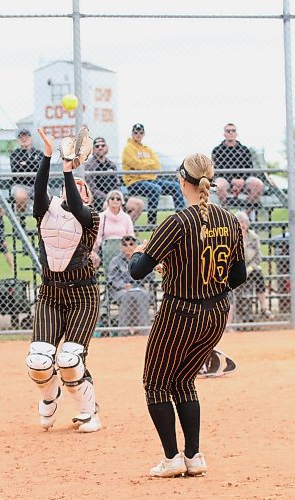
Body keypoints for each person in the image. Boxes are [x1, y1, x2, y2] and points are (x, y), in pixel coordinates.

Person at [128, 154, 247, 478]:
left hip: (181, 312)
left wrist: (140, 251)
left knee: (155, 383)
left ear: (183, 182)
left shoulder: (177, 221)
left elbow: (138, 271)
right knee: (182, 381)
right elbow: (238, 277)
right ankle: (193, 456)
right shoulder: (230, 220)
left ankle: (171, 459)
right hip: (217, 313)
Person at [25, 128, 101, 433]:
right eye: (71, 185)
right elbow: (40, 188)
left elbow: (75, 200)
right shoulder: (46, 212)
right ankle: (50, 395)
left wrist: (69, 169)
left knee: (69, 359)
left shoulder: (91, 218)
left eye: (83, 188)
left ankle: (88, 411)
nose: (75, 190)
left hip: (83, 296)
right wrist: (48, 154)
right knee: (39, 360)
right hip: (50, 295)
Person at [122, 123, 185, 225]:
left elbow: (157, 165)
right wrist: (148, 165)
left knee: (176, 187)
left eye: (141, 132)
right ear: (132, 134)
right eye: (136, 132)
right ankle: (151, 222)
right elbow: (135, 164)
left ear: (143, 134)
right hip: (134, 182)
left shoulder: (147, 149)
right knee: (156, 189)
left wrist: (144, 166)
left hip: (151, 180)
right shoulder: (128, 149)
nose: (138, 134)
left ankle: (182, 219)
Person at [84, 136, 144, 221]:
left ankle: (126, 227)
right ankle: (113, 229)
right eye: (97, 146)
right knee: (109, 206)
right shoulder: (89, 165)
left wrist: (118, 196)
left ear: (106, 148)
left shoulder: (111, 164)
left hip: (115, 196)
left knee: (138, 204)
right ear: (93, 149)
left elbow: (117, 184)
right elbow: (92, 189)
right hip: (99, 199)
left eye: (103, 145)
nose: (100, 148)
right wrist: (109, 198)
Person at [107, 235, 153, 336]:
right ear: (121, 247)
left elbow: (150, 276)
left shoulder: (142, 258)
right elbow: (112, 279)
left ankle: (143, 332)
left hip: (139, 289)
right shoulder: (116, 260)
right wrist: (123, 285)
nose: (128, 246)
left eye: (131, 244)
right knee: (127, 296)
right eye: (125, 244)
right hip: (120, 291)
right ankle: (123, 332)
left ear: (136, 246)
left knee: (142, 295)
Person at [212, 123, 264, 208]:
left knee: (258, 184)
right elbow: (217, 170)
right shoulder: (217, 150)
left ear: (236, 133)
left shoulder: (244, 149)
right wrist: (232, 180)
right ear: (224, 134)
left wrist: (242, 179)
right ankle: (226, 214)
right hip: (225, 179)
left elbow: (249, 168)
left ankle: (247, 213)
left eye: (233, 131)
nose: (231, 133)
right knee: (219, 185)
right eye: (228, 131)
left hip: (244, 179)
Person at [234, 211, 274, 319]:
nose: (242, 225)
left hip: (250, 269)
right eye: (239, 222)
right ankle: (235, 316)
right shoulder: (232, 237)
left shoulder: (253, 237)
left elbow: (258, 257)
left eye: (244, 222)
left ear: (247, 224)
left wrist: (250, 268)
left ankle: (264, 308)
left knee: (259, 275)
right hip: (236, 269)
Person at [94, 189, 135, 274]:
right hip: (106, 248)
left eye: (118, 199)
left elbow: (130, 235)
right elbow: (98, 237)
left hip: (123, 247)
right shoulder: (101, 217)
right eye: (112, 198)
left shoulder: (126, 218)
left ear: (121, 202)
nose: (115, 200)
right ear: (108, 201)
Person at [10, 128, 44, 214]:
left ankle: (40, 222)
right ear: (18, 140)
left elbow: (41, 167)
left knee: (45, 198)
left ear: (31, 139)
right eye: (21, 137)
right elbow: (16, 169)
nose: (24, 139)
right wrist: (33, 164)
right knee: (21, 197)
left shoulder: (39, 153)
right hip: (20, 184)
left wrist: (26, 163)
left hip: (37, 183)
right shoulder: (15, 154)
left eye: (26, 137)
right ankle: (21, 220)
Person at [0, 207, 14, 272]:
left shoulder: (0, 219)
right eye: (2, 211)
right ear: (0, 211)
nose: (4, 213)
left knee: (6, 253)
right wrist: (3, 240)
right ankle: (12, 268)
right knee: (6, 253)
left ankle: (12, 268)